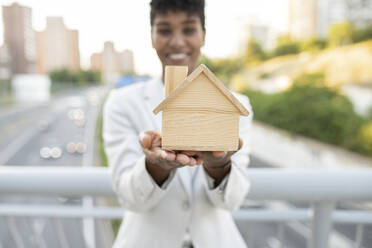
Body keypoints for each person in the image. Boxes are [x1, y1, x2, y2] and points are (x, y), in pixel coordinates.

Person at [103, 0, 253, 247]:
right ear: (151, 37)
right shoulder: (121, 103)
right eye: (164, 30)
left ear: (203, 35)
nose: (176, 42)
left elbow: (232, 201)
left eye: (189, 29)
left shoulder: (236, 105)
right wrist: (156, 168)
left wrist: (219, 166)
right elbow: (130, 198)